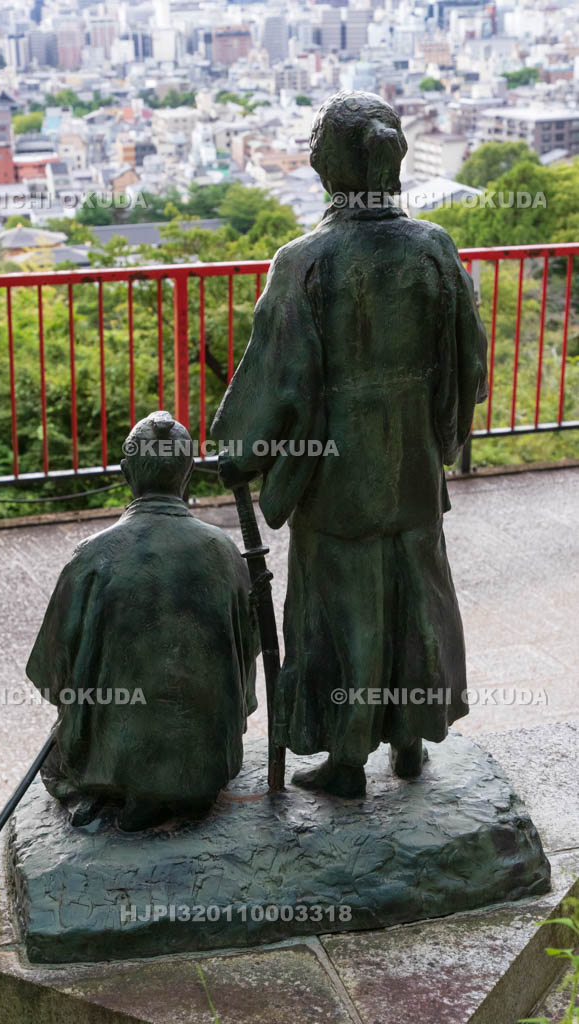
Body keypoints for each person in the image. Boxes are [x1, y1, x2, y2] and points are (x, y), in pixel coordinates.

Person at [213, 91, 488, 799]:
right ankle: (408, 739)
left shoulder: (304, 260)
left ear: (327, 166)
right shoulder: (433, 248)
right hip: (412, 464)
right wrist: (438, 432)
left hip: (334, 473)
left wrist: (239, 451)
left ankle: (344, 756)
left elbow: (279, 379)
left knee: (343, 610)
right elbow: (469, 365)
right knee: (413, 595)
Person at [26, 411, 258, 830]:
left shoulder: (93, 556)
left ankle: (134, 787)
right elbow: (249, 654)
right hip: (212, 759)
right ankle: (181, 786)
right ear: (188, 473)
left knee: (62, 755)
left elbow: (49, 674)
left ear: (125, 471)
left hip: (118, 763)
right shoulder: (224, 551)